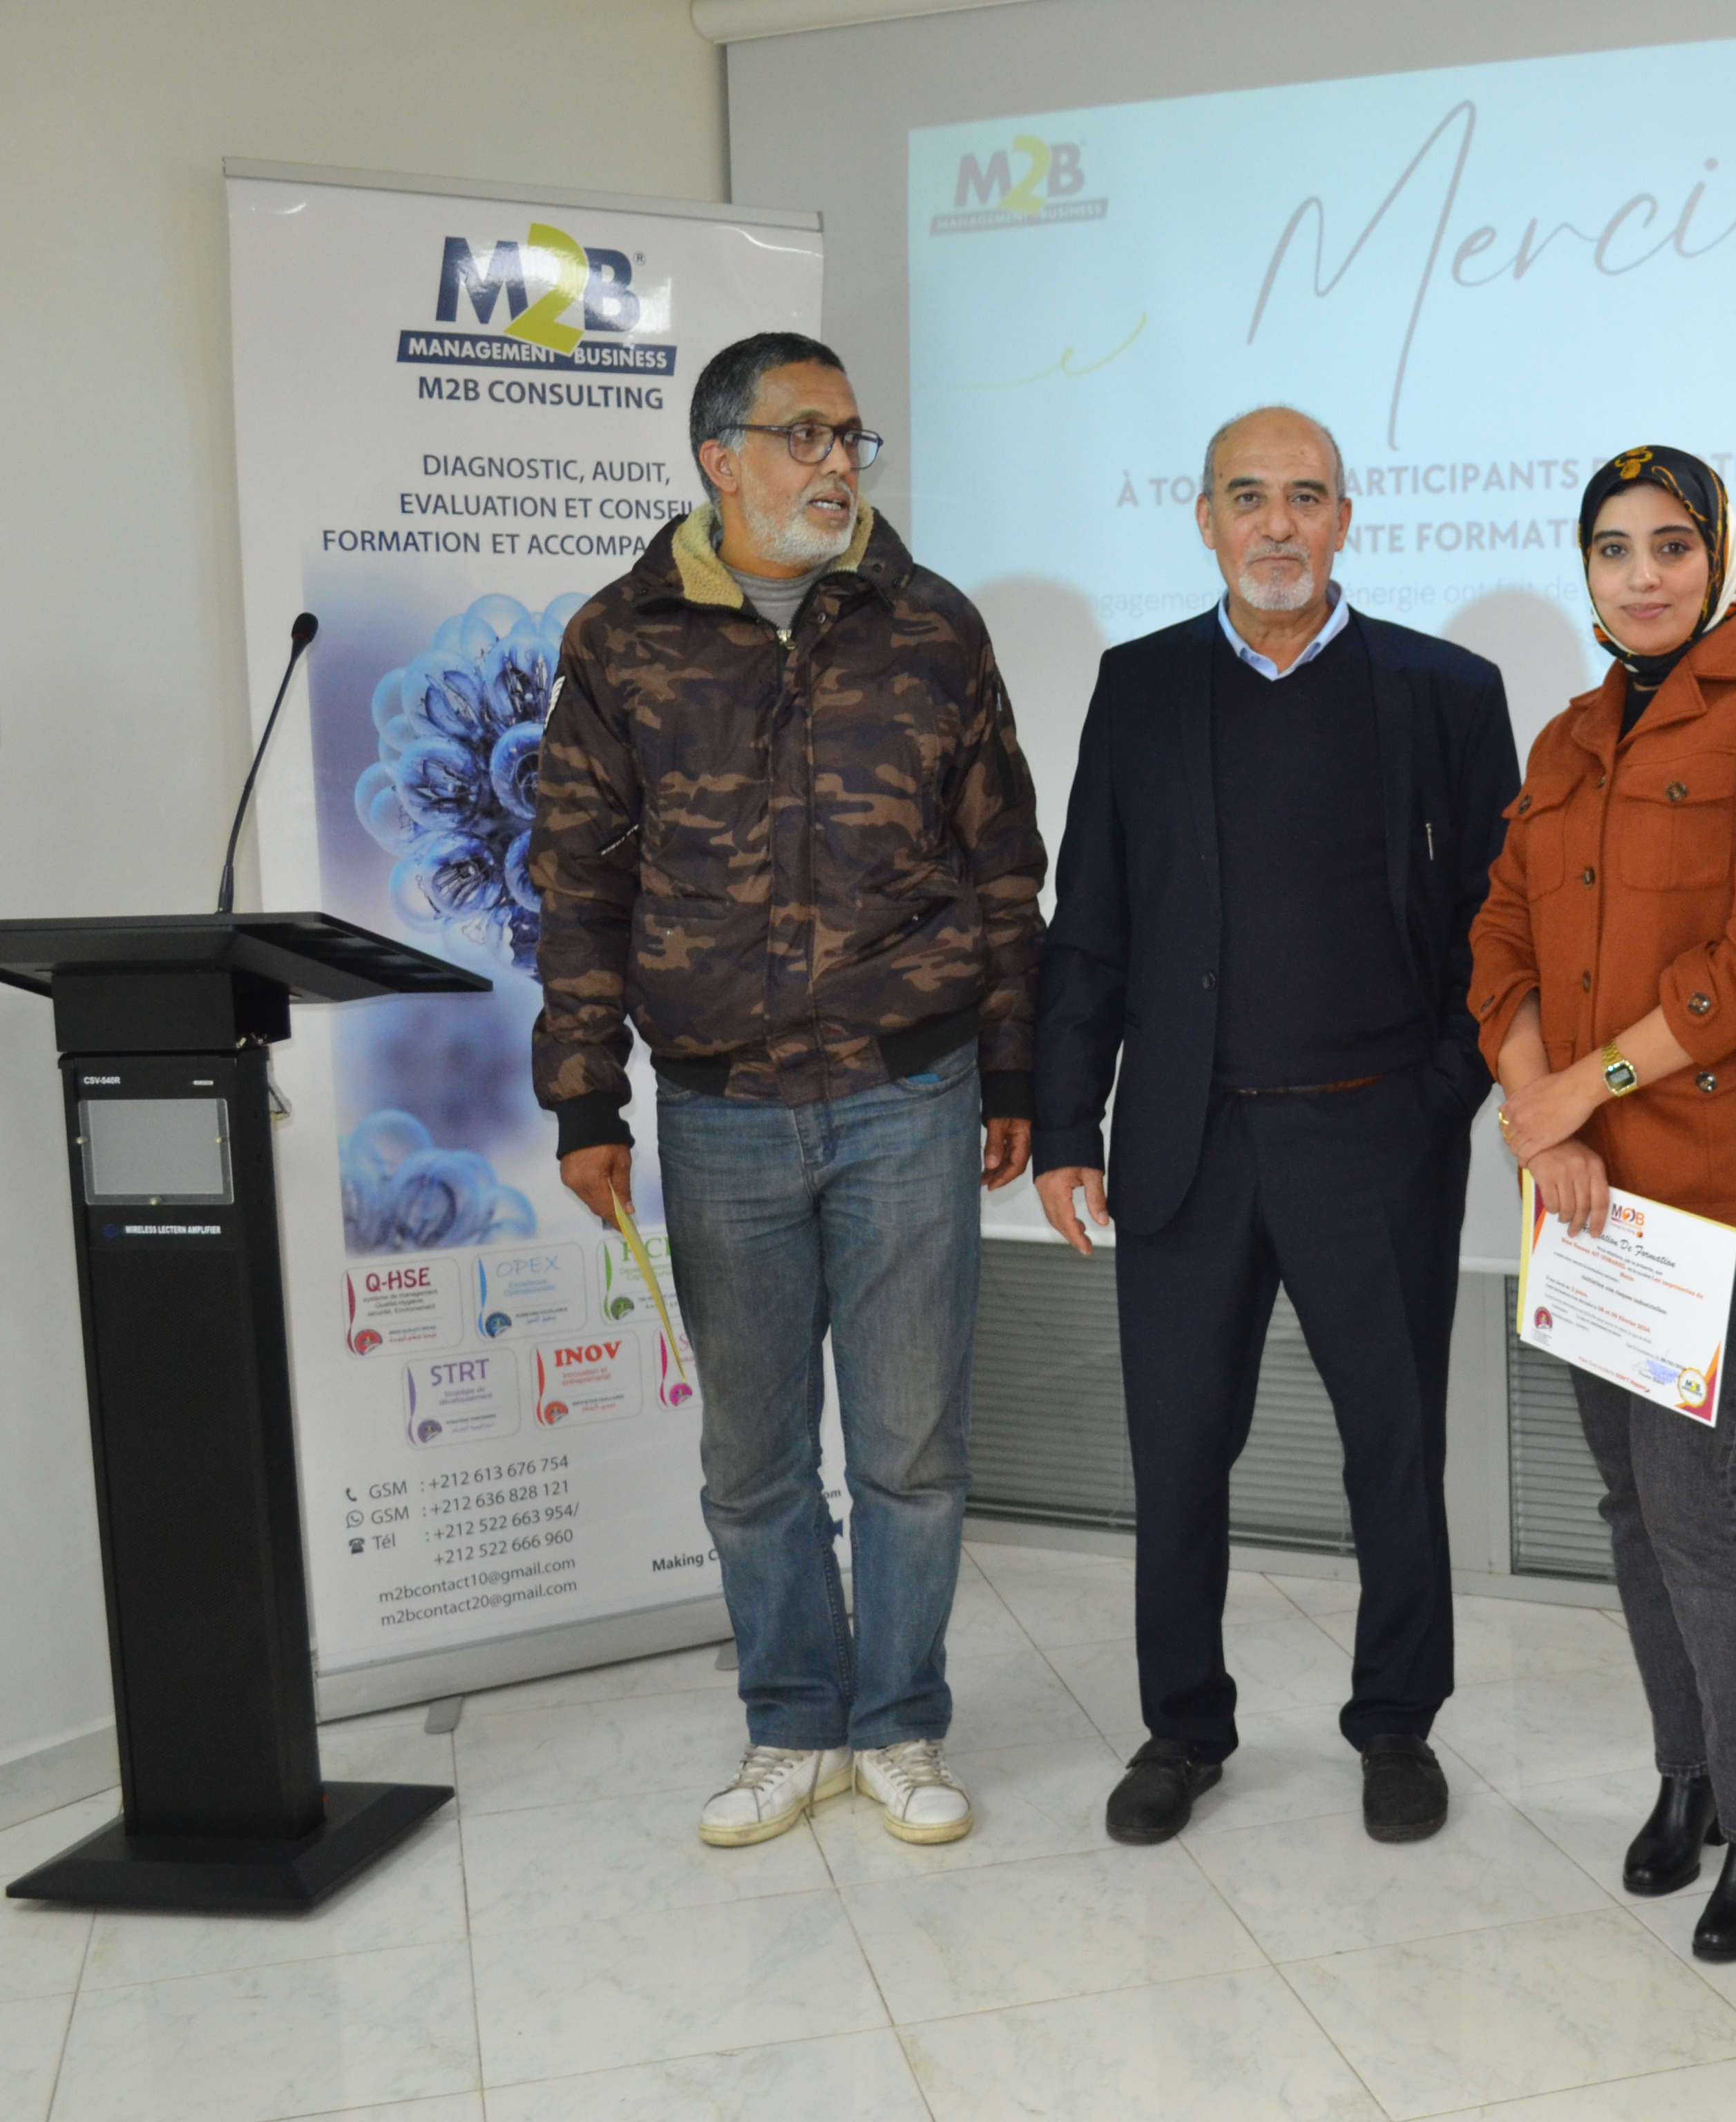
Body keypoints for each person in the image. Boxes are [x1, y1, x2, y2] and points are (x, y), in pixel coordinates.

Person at [531, 330, 1045, 1850]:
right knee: (753, 1461)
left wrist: (1014, 1062)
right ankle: (793, 1725)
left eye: (850, 438)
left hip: (910, 1091)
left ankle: (899, 1726)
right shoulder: (621, 638)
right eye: (805, 435)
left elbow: (1004, 865)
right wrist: (584, 1099)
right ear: (720, 458)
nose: (838, 463)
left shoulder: (929, 623)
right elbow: (576, 887)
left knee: (910, 1452)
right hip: (722, 1110)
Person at [1033, 405, 1518, 1846]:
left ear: (1347, 519)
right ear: (1205, 520)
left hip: (1376, 1140)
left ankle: (1397, 1723)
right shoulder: (1139, 686)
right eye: (1249, 497)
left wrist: (1442, 1093)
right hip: (1187, 1145)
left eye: (1307, 496)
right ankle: (1182, 1727)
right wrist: (1067, 1125)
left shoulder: (1444, 690)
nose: (1278, 525)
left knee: (1394, 1452)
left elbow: (1500, 928)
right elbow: (1091, 924)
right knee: (1179, 1455)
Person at [1471, 447, 1736, 1962]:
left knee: (1699, 1497)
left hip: (1731, 1175)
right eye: (1613, 548)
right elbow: (1501, 940)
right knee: (1632, 1499)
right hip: (1589, 1185)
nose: (1641, 575)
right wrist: (1544, 1115)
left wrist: (1585, 1089)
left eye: (1671, 545)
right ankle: (1690, 1775)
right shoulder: (1571, 733)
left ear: (1720, 557)